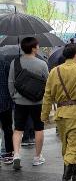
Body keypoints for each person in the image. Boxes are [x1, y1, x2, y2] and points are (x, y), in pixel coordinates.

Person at [41, 42, 76, 181]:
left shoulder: (54, 72)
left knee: (67, 147)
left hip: (60, 115)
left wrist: (44, 115)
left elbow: (47, 95)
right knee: (74, 148)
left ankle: (75, 174)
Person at [8, 37, 49, 170]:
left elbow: (11, 82)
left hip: (20, 101)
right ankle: (37, 157)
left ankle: (17, 154)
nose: (38, 48)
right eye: (37, 46)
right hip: (37, 101)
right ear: (33, 48)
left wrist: (14, 96)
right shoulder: (42, 64)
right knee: (38, 128)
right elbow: (47, 83)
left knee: (18, 129)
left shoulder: (15, 63)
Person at [0, 58, 14, 164]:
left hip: (5, 101)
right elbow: (11, 83)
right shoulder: (5, 63)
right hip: (5, 101)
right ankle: (9, 153)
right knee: (8, 128)